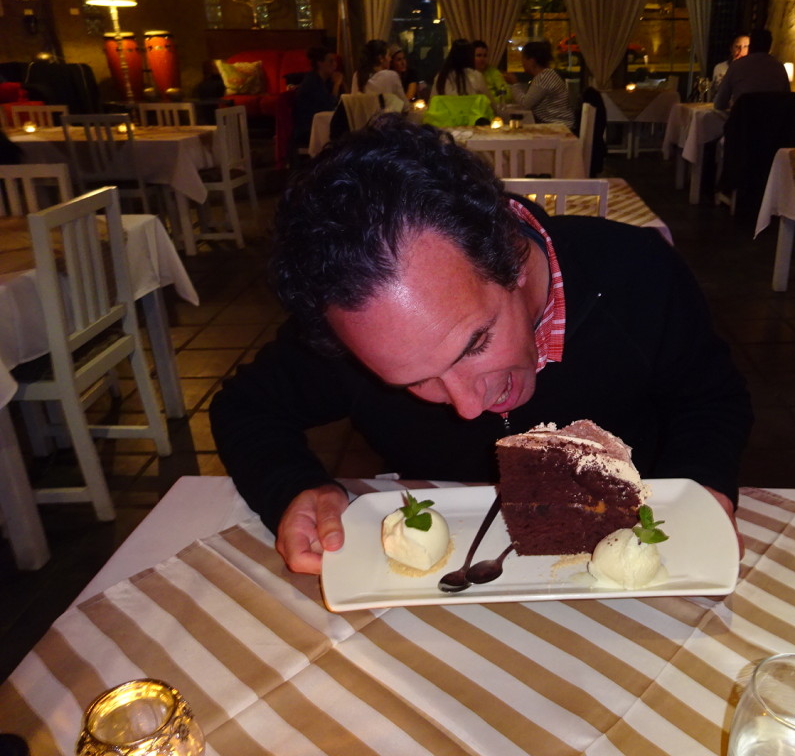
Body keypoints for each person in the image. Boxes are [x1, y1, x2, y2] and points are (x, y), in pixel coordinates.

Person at [210, 115, 753, 575]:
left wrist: (702, 485)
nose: (469, 408)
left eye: (473, 343)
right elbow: (245, 408)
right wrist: (294, 488)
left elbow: (709, 399)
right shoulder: (345, 330)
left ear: (511, 254)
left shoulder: (638, 272)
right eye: (413, 381)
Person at [713, 29, 790, 111]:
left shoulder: (737, 66)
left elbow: (719, 104)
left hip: (743, 120)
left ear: (751, 45)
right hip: (772, 121)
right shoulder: (779, 67)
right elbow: (787, 100)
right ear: (770, 47)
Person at [502, 41, 574, 126]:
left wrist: (514, 83)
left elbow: (525, 104)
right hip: (555, 124)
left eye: (524, 58)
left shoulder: (543, 77)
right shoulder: (546, 74)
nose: (522, 63)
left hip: (559, 126)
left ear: (532, 61)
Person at [291, 46, 343, 150]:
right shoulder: (312, 83)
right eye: (330, 61)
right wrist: (336, 85)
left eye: (335, 61)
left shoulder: (327, 81)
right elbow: (330, 106)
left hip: (322, 125)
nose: (334, 65)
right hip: (309, 129)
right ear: (320, 63)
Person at [432, 38, 495, 107]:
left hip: (444, 117)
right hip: (472, 117)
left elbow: (432, 103)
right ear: (470, 56)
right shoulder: (475, 76)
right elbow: (490, 103)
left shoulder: (441, 77)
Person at [352, 39, 408, 110]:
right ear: (381, 58)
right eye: (388, 55)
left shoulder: (357, 75)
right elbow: (405, 106)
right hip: (385, 120)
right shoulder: (390, 76)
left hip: (361, 120)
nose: (390, 59)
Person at [472, 40, 507, 105]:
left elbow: (507, 95)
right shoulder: (467, 73)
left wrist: (488, 101)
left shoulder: (493, 72)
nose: (482, 59)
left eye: (485, 56)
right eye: (479, 55)